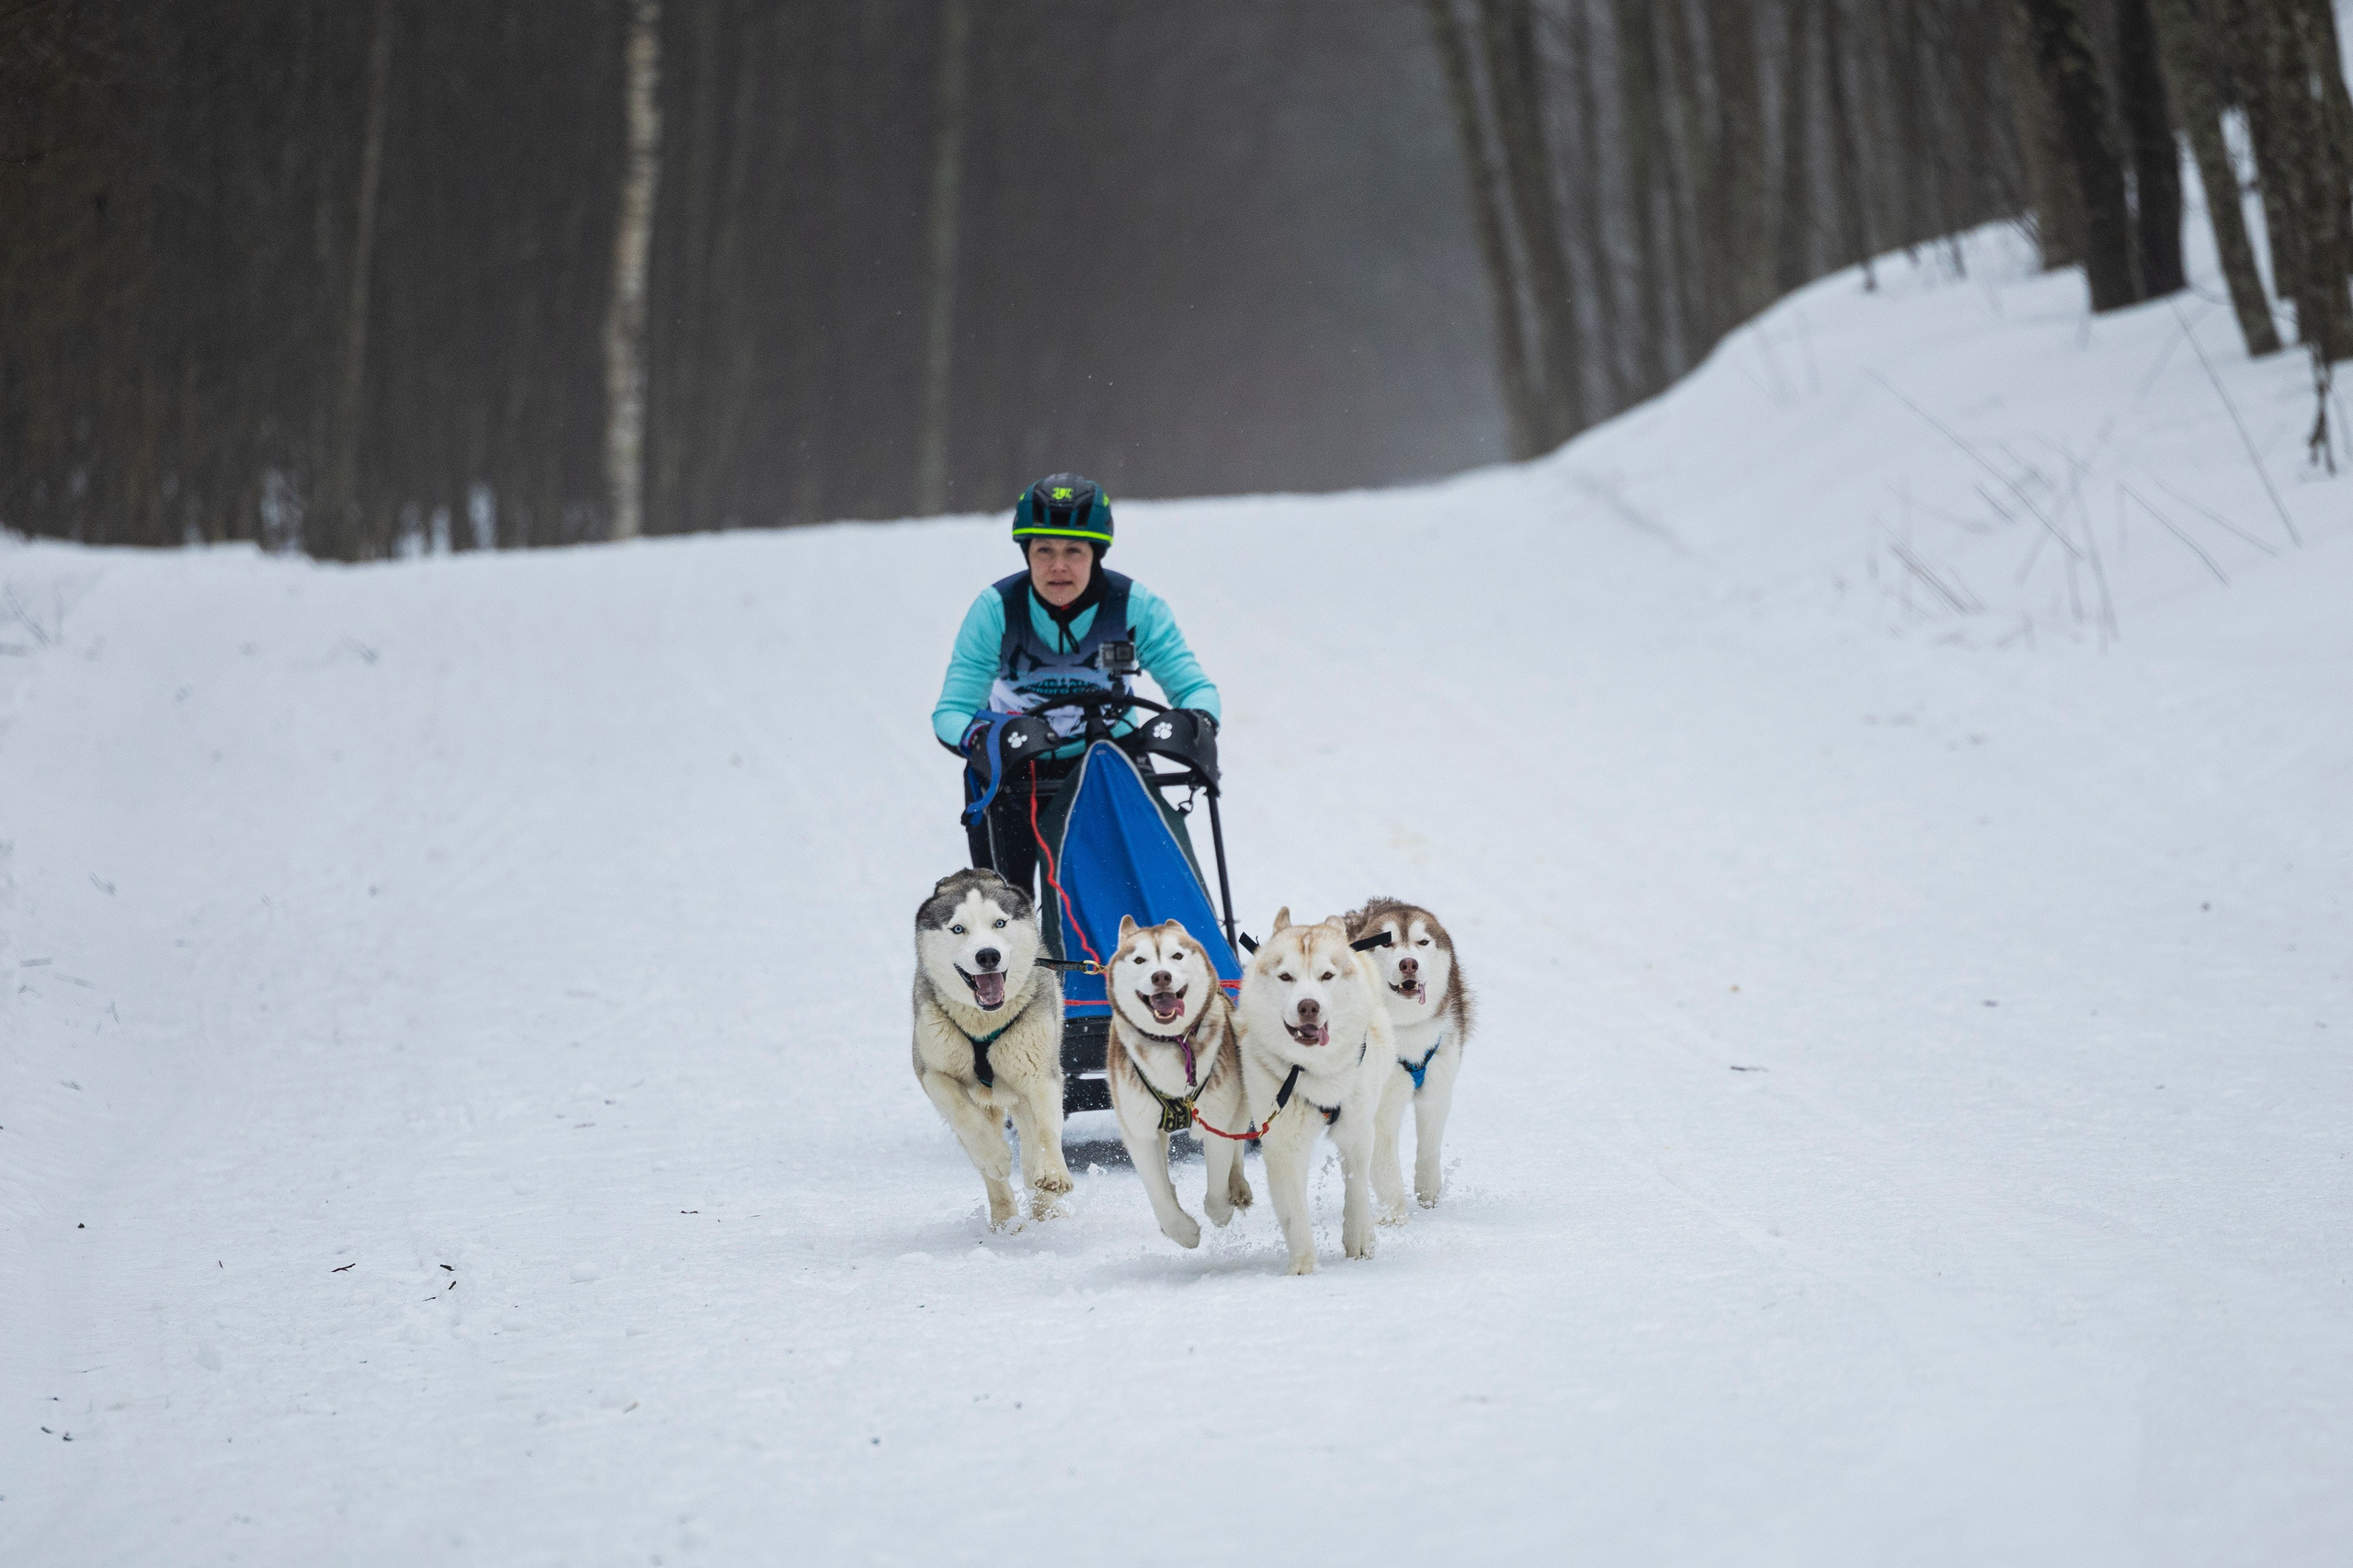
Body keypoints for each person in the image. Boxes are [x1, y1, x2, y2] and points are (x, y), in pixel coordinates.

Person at [933, 472, 1221, 899]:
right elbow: (951, 712)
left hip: (1112, 755)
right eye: (1044, 550)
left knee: (1152, 888)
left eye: (1074, 551)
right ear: (1026, 553)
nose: (1058, 566)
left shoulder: (1136, 605)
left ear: (1097, 554)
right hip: (1018, 765)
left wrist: (1195, 720)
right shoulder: (994, 610)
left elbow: (1196, 688)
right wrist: (985, 738)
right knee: (1004, 909)